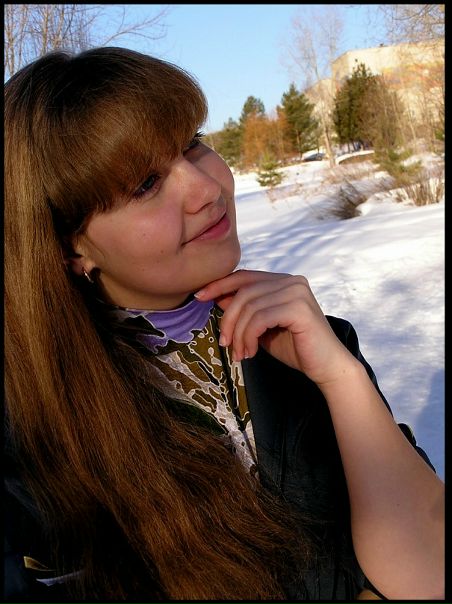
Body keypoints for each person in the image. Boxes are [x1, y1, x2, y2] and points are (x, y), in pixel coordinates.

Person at [4, 47, 444, 601]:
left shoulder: (307, 344)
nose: (206, 188)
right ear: (71, 249)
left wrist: (342, 380)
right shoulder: (32, 434)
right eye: (145, 183)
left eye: (192, 143)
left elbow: (429, 573)